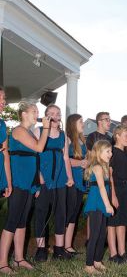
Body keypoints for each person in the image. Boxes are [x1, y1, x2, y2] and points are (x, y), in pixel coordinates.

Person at [0, 101, 50, 273]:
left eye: (37, 111)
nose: (37, 113)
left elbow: (34, 159)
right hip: (19, 182)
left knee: (22, 222)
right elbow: (39, 147)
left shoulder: (28, 132)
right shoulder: (19, 130)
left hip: (29, 183)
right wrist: (46, 129)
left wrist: (36, 183)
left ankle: (19, 258)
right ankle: (2, 263)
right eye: (34, 111)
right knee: (12, 221)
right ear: (23, 114)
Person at [34, 104, 74, 261]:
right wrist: (39, 177)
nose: (55, 116)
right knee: (41, 213)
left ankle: (59, 249)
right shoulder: (38, 131)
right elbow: (35, 155)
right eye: (51, 113)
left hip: (60, 179)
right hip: (44, 178)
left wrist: (69, 177)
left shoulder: (63, 135)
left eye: (57, 113)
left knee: (60, 213)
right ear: (45, 116)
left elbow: (65, 158)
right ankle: (41, 249)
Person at [84, 140, 114, 275]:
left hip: (101, 203)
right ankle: (88, 264)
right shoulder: (97, 167)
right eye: (107, 151)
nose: (111, 154)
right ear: (98, 152)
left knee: (102, 234)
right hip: (96, 203)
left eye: (111, 151)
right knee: (95, 234)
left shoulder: (105, 167)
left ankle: (97, 260)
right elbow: (101, 187)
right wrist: (108, 205)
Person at [107, 125, 127, 263]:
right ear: (117, 136)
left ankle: (122, 252)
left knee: (123, 221)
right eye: (126, 136)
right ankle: (113, 253)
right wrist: (113, 195)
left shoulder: (126, 153)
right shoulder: (113, 152)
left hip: (124, 189)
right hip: (114, 188)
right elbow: (109, 174)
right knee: (113, 222)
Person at [65, 114, 88, 254]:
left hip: (81, 180)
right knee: (69, 212)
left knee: (74, 213)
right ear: (73, 123)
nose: (83, 123)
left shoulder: (81, 140)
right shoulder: (67, 140)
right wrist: (80, 163)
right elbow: (65, 160)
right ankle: (63, 245)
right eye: (81, 121)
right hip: (70, 181)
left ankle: (68, 245)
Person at [0, 87, 12, 200]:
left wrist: (8, 182)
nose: (3, 101)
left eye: (3, 98)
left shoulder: (2, 125)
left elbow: (5, 155)